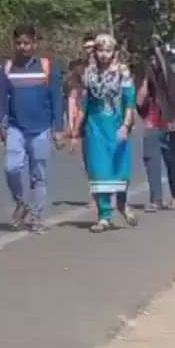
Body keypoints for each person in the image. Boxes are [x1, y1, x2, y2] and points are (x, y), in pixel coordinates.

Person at [0, 24, 64, 234]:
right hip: (16, 128)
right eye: (19, 43)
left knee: (38, 175)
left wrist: (58, 129)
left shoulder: (48, 66)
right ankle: (20, 202)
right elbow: (0, 100)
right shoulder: (7, 68)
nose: (23, 47)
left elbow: (57, 99)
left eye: (27, 43)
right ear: (14, 44)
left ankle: (38, 216)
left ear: (35, 43)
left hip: (41, 129)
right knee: (11, 168)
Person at [70, 34, 138, 232]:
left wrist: (126, 125)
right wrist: (75, 131)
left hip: (117, 126)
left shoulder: (122, 72)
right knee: (99, 171)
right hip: (95, 127)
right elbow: (84, 103)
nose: (104, 55)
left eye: (108, 50)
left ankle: (122, 204)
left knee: (120, 169)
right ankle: (104, 216)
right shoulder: (89, 73)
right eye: (100, 50)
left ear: (114, 52)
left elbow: (129, 100)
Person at [138, 42, 175, 212]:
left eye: (155, 59)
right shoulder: (149, 79)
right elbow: (139, 101)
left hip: (170, 124)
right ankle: (155, 199)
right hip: (152, 123)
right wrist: (143, 87)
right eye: (150, 59)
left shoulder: (174, 80)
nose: (153, 62)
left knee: (172, 161)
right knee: (151, 160)